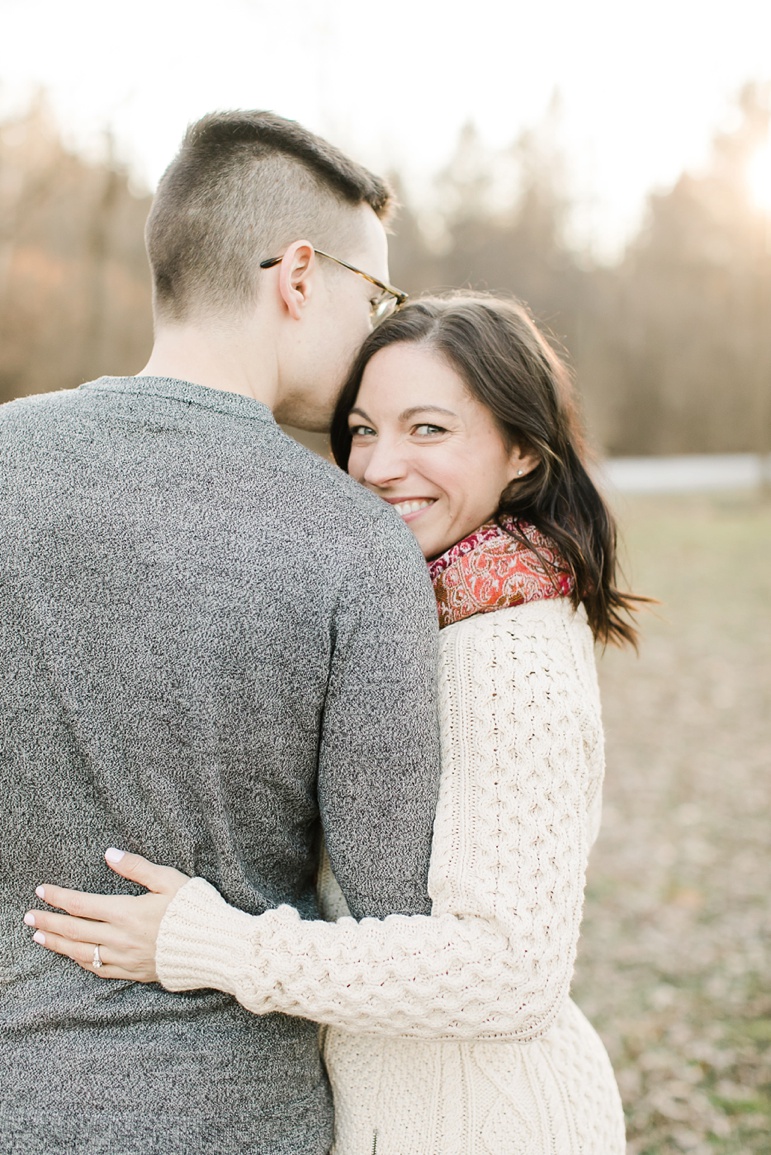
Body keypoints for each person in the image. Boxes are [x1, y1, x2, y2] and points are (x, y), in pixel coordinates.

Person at [28, 294, 644, 1154]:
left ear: (521, 451)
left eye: (427, 429)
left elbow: (509, 973)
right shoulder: (421, 616)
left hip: (493, 1124)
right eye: (360, 430)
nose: (382, 465)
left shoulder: (507, 650)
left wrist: (214, 943)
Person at [0, 111, 444, 1154]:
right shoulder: (356, 541)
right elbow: (398, 914)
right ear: (298, 276)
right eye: (375, 297)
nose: (380, 331)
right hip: (237, 1115)